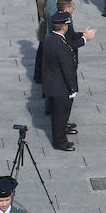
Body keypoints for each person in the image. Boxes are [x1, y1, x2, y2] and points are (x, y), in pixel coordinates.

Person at [40, 13, 77, 152]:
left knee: (59, 114)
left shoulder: (50, 38)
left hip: (53, 83)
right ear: (64, 27)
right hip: (60, 86)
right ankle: (60, 141)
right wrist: (72, 88)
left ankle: (61, 134)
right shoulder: (61, 45)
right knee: (60, 115)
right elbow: (67, 69)